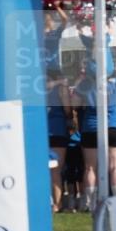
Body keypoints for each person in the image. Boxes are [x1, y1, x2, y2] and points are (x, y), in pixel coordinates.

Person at [73, 63, 116, 208]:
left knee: (90, 168)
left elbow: (74, 104)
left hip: (91, 127)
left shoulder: (86, 83)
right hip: (114, 126)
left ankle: (89, 203)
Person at [46, 68, 72, 212]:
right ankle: (57, 204)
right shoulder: (61, 87)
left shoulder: (36, 87)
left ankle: (47, 201)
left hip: (42, 129)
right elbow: (67, 109)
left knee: (42, 169)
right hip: (57, 129)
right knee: (56, 170)